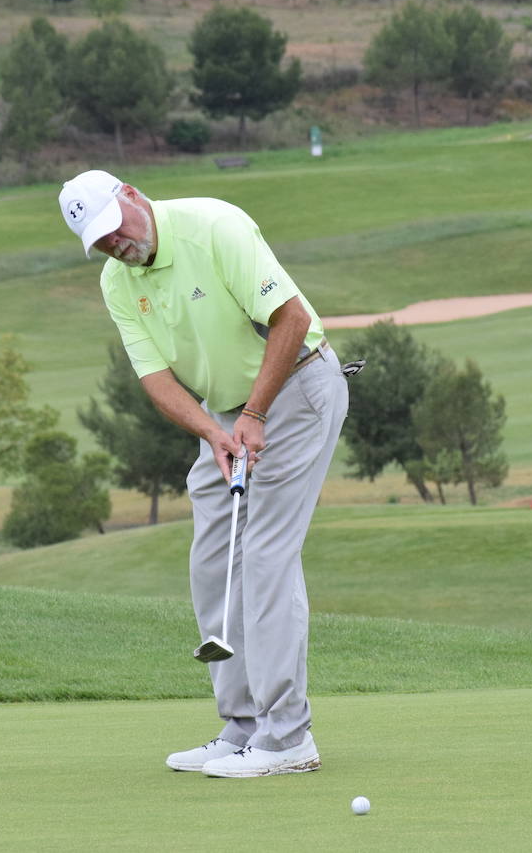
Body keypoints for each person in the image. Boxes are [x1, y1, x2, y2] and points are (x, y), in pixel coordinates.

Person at [58, 170, 348, 778]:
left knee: (266, 555)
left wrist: (254, 413)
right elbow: (155, 379)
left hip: (296, 390)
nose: (117, 245)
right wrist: (215, 431)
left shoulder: (215, 225)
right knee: (214, 559)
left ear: (133, 196)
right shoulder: (119, 281)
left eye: (117, 229)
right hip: (226, 416)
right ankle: (243, 727)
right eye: (102, 242)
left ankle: (288, 737)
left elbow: (290, 319)